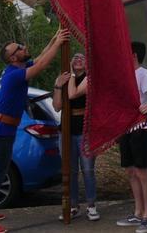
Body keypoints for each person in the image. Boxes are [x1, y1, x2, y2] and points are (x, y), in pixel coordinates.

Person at [0, 27, 69, 233]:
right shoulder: (14, 75)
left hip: (3, 129)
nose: (23, 47)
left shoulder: (18, 68)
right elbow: (42, 65)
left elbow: (38, 59)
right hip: (0, 130)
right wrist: (57, 44)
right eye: (18, 48)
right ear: (13, 58)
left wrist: (54, 38)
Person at [116, 41, 147, 233]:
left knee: (142, 171)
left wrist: (146, 109)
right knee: (131, 171)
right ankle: (137, 211)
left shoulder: (144, 74)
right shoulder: (125, 75)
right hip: (126, 128)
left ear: (133, 55)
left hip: (142, 127)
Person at [52, 53, 99, 221]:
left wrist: (71, 75)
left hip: (85, 131)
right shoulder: (63, 79)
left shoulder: (90, 78)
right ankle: (73, 206)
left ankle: (91, 205)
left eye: (82, 58)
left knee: (87, 170)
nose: (78, 60)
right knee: (69, 171)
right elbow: (57, 106)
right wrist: (58, 86)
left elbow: (73, 94)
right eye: (75, 58)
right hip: (66, 130)